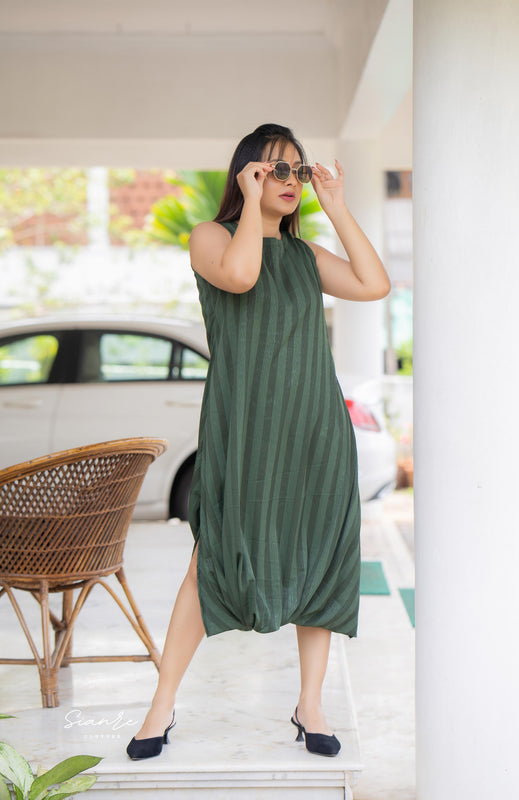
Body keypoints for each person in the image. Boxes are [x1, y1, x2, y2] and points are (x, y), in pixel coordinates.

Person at [126, 123, 390, 761]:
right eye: (276, 170)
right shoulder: (210, 237)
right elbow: (242, 276)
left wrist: (339, 208)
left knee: (322, 556)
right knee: (211, 556)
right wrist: (250, 207)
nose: (291, 180)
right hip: (244, 427)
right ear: (247, 174)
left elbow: (374, 284)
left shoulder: (306, 257)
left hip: (315, 428)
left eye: (297, 169)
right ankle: (160, 709)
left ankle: (311, 704)